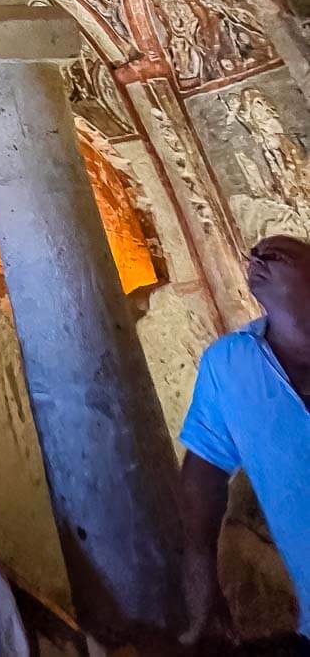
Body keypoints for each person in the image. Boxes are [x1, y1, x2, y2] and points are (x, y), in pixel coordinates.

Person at [179, 235, 310, 651]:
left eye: (276, 255)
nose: (256, 260)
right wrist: (201, 575)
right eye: (252, 255)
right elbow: (202, 478)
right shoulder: (230, 365)